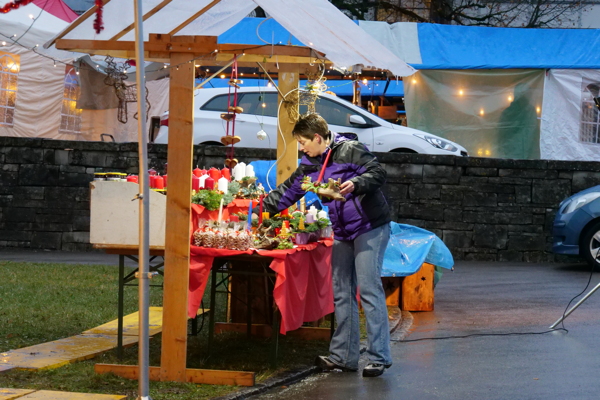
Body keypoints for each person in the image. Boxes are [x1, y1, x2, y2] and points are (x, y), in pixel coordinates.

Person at [259, 113, 392, 377]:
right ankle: (344, 357)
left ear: (317, 137)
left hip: (370, 227)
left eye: (303, 142)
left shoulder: (350, 150)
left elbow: (378, 173)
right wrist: (261, 208)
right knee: (342, 291)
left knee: (368, 288)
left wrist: (355, 184)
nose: (300, 147)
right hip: (342, 232)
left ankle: (378, 357)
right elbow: (289, 190)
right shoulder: (310, 163)